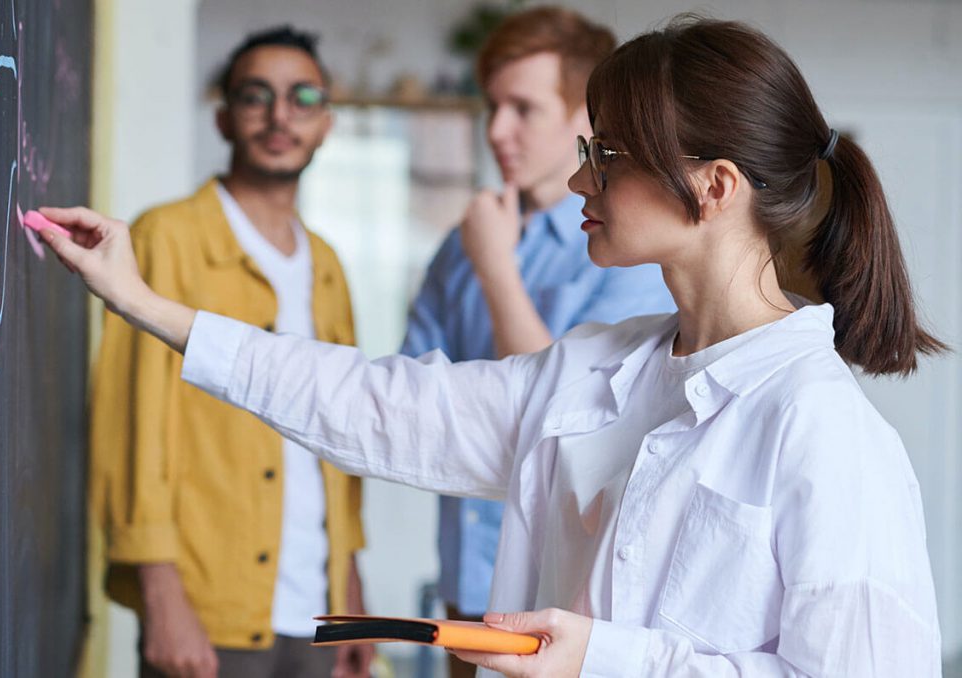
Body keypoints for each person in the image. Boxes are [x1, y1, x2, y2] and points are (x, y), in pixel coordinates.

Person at [46, 15, 944, 677]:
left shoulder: (831, 439)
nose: (576, 176)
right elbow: (376, 402)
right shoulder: (595, 367)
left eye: (609, 154)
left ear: (713, 186)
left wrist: (608, 660)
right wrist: (147, 305)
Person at [88, 26, 372, 678]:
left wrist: (351, 591)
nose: (280, 116)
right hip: (206, 608)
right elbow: (131, 427)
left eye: (303, 98)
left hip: (318, 614)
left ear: (326, 123)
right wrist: (161, 597)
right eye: (256, 96)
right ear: (223, 117)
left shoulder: (327, 266)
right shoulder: (169, 237)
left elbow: (340, 437)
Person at [400, 12, 673, 676]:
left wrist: (497, 268)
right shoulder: (460, 245)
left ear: (587, 117)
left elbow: (569, 419)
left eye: (522, 108)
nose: (497, 130)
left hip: (568, 612)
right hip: (465, 594)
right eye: (492, 106)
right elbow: (418, 399)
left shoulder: (634, 255)